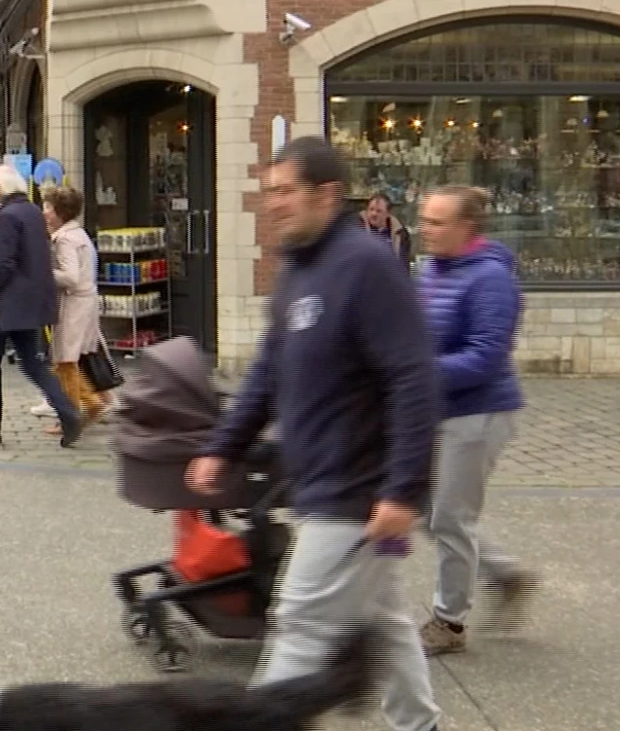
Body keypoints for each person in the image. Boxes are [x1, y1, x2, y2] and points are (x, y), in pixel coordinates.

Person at [188, 137, 442, 731]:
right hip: (319, 481)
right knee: (380, 621)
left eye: (284, 191)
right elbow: (268, 372)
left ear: (327, 195)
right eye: (268, 191)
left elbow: (415, 377)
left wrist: (404, 488)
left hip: (356, 489)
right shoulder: (298, 270)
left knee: (300, 624)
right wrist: (224, 446)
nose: (272, 203)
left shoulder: (366, 266)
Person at [415, 184, 538, 654]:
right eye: (424, 219)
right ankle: (505, 573)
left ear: (467, 228)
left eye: (436, 222)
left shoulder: (491, 280)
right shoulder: (432, 269)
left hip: (477, 415)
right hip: (438, 410)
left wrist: (416, 372)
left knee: (450, 518)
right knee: (427, 510)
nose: (425, 229)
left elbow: (485, 357)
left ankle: (449, 623)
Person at [0, 164, 82, 448]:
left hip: (4, 302)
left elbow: (4, 263)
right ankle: (68, 412)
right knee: (32, 363)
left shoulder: (7, 216)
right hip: (29, 302)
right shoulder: (33, 213)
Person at [43, 184, 107, 432]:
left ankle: (80, 409)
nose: (44, 212)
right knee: (69, 359)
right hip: (85, 302)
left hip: (73, 303)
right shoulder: (79, 234)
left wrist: (44, 272)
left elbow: (69, 277)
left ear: (60, 211)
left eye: (48, 207)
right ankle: (76, 411)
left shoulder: (65, 240)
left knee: (65, 360)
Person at [361, 193, 413, 267]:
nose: (374, 214)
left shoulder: (400, 233)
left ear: (388, 213)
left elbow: (403, 264)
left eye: (379, 211)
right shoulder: (357, 227)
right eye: (371, 209)